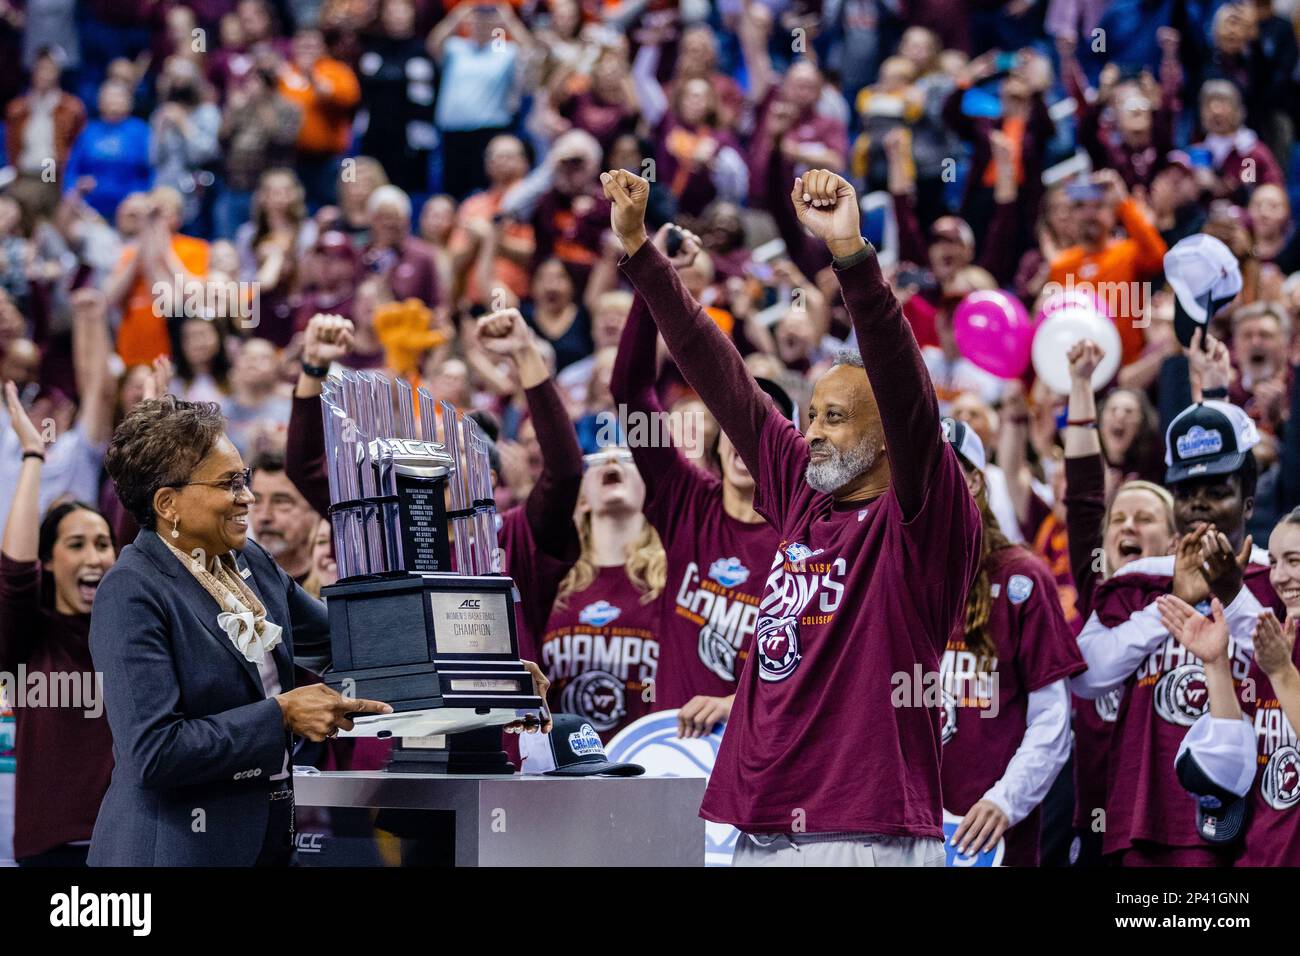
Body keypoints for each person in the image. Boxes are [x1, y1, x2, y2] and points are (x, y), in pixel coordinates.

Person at [604, 166, 981, 865]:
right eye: (810, 416)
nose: (810, 432)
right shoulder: (804, 494)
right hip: (762, 827)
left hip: (864, 833)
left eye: (834, 418)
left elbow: (906, 391)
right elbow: (722, 377)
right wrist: (640, 253)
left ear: (886, 440)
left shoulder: (921, 521)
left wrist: (851, 257)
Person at [88, 395, 393, 866]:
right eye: (230, 483)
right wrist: (280, 716)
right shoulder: (130, 591)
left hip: (268, 843)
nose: (247, 496)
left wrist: (484, 665)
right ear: (168, 503)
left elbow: (349, 640)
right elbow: (153, 752)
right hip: (174, 851)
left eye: (243, 478)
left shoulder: (250, 560)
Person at [1070, 398, 1281, 865]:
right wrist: (1178, 601)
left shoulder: (1279, 575)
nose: (1199, 501)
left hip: (1253, 812)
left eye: (1216, 488)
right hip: (1144, 809)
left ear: (1248, 500)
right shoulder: (1136, 577)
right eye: (1187, 490)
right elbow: (1086, 676)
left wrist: (1234, 596)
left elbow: (1288, 675)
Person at [610, 224, 785, 738]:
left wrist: (737, 703)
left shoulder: (805, 535)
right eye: (734, 426)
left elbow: (821, 666)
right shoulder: (685, 497)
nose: (742, 442)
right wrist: (653, 273)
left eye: (760, 430)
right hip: (668, 755)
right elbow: (630, 389)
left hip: (757, 760)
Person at [942, 421, 1084, 867]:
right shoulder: (889, 573)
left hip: (994, 840)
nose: (931, 482)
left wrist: (1005, 801)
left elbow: (1053, 722)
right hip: (901, 834)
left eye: (949, 470)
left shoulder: (1022, 577)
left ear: (977, 481)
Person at [1059, 338, 1179, 866]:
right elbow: (1084, 496)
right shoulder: (1098, 587)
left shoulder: (1193, 600)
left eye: (1145, 518)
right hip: (1095, 816)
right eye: (1120, 519)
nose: (1127, 525)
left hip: (1170, 822)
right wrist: (1083, 386)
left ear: (1175, 543)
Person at [0, 382, 116, 866]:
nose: (94, 557)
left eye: (102, 543)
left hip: (131, 845)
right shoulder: (26, 638)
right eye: (76, 545)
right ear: (48, 560)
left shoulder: (130, 634)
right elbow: (14, 573)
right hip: (51, 853)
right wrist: (32, 455)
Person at [1162, 506, 1300, 866]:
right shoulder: (1278, 642)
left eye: (1294, 561)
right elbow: (1233, 757)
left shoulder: (1276, 657)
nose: (1280, 577)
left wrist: (1282, 673)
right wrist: (1215, 661)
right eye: (1273, 562)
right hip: (1259, 854)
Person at [538, 446, 666, 740]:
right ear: (581, 498)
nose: (611, 460)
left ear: (647, 488)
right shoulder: (553, 580)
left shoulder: (670, 578)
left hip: (648, 760)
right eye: (597, 459)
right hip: (560, 764)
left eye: (626, 457)